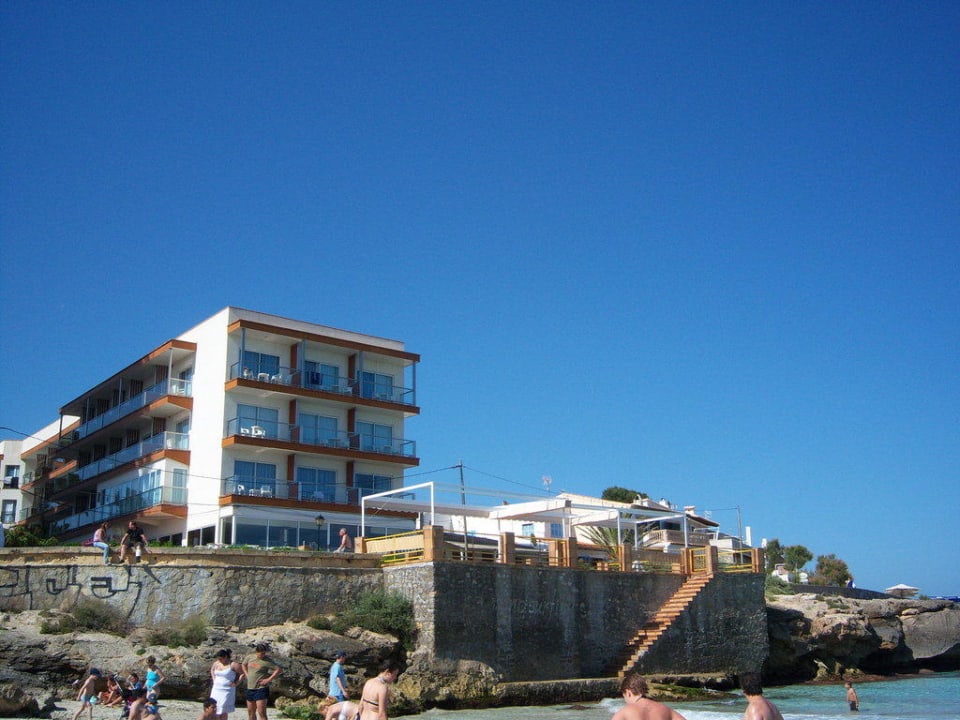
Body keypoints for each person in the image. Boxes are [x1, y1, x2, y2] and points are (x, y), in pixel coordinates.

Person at [611, 672, 687, 720]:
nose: (626, 702)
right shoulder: (666, 710)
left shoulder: (625, 712)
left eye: (625, 698)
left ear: (628, 693)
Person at [244, 643, 281, 720]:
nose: (263, 655)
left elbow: (278, 669)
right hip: (250, 688)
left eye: (264, 653)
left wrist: (268, 679)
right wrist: (246, 674)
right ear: (256, 652)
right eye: (261, 653)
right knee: (251, 713)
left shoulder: (268, 661)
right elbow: (243, 665)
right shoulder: (250, 657)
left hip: (261, 688)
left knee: (261, 713)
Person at [210, 648, 245, 720]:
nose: (219, 660)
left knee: (223, 709)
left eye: (221, 659)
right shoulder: (216, 663)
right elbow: (212, 670)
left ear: (225, 657)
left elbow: (242, 673)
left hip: (227, 690)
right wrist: (214, 679)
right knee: (214, 707)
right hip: (216, 689)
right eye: (218, 659)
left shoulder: (233, 664)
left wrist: (236, 683)